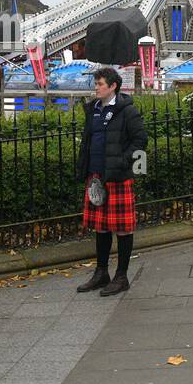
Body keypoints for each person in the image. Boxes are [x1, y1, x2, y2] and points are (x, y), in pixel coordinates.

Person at [76, 67, 148, 297]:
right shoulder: (93, 110)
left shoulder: (127, 111)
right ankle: (101, 273)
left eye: (100, 84)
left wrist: (122, 161)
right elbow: (89, 140)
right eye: (96, 84)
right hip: (96, 176)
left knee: (123, 229)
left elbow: (140, 139)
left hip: (117, 176)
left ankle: (122, 276)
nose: (96, 87)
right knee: (101, 226)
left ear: (113, 86)